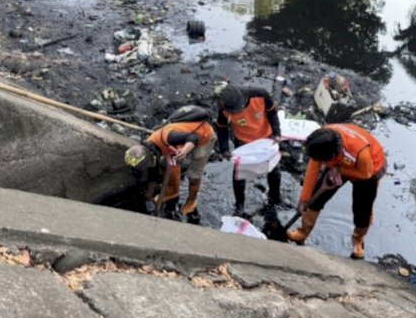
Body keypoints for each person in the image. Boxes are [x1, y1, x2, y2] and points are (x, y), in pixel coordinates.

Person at [287, 124, 386, 259]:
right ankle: (302, 233)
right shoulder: (322, 140)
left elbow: (365, 174)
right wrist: (304, 199)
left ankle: (358, 240)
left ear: (333, 155)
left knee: (362, 210)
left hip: (369, 168)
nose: (320, 163)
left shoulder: (359, 152)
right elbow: (312, 170)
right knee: (316, 199)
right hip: (339, 164)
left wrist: (340, 170)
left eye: (323, 161)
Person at [124, 105, 216, 224]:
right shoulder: (148, 146)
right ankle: (173, 192)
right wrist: (149, 194)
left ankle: (191, 202)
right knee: (166, 164)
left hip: (203, 137)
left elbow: (193, 138)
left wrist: (184, 151)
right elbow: (153, 170)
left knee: (193, 176)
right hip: (181, 139)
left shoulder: (168, 137)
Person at [216, 84, 282, 218]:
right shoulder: (225, 107)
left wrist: (277, 133)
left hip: (266, 139)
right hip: (243, 143)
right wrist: (225, 149)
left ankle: (275, 197)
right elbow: (222, 127)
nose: (235, 113)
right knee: (239, 174)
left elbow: (272, 113)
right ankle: (239, 205)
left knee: (274, 170)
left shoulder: (260, 94)